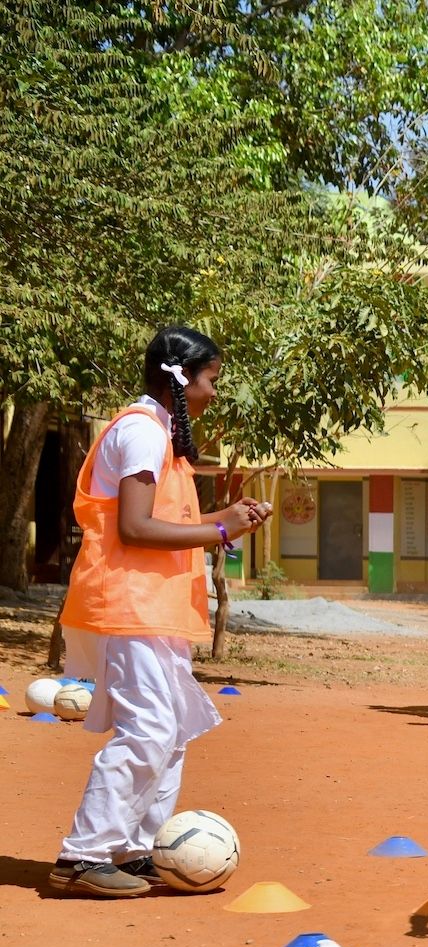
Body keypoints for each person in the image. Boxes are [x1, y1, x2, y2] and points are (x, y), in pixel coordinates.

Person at [49, 326, 273, 897]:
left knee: (171, 731)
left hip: (154, 608)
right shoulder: (142, 432)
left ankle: (136, 848)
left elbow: (161, 521)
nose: (215, 393)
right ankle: (84, 854)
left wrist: (225, 516)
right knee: (148, 728)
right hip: (127, 603)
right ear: (181, 377)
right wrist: (220, 528)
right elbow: (134, 527)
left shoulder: (158, 437)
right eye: (212, 380)